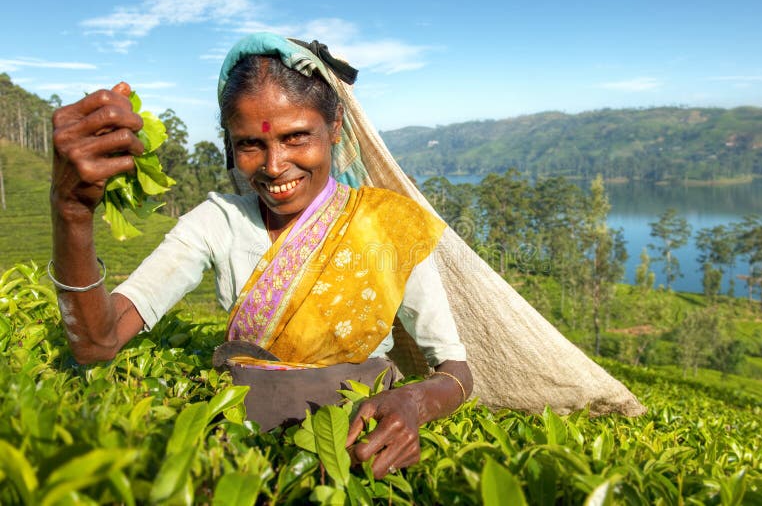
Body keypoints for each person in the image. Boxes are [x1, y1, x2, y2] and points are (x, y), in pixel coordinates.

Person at [49, 32, 473, 478]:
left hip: (362, 460)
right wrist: (72, 213)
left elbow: (456, 371)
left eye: (296, 137)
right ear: (230, 143)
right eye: (252, 143)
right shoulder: (218, 223)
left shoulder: (390, 225)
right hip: (243, 460)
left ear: (335, 127)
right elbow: (98, 343)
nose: (274, 166)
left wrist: (414, 402)